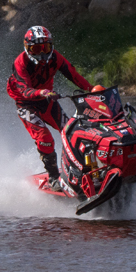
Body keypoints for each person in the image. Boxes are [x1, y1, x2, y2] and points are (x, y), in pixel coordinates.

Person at [6, 26, 91, 183]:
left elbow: (74, 75)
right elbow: (24, 90)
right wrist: (42, 92)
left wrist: (93, 91)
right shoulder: (20, 63)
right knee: (45, 138)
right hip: (26, 105)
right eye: (37, 48)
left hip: (46, 101)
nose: (42, 53)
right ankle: (53, 177)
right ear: (28, 48)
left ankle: (85, 167)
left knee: (71, 130)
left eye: (45, 47)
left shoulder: (55, 58)